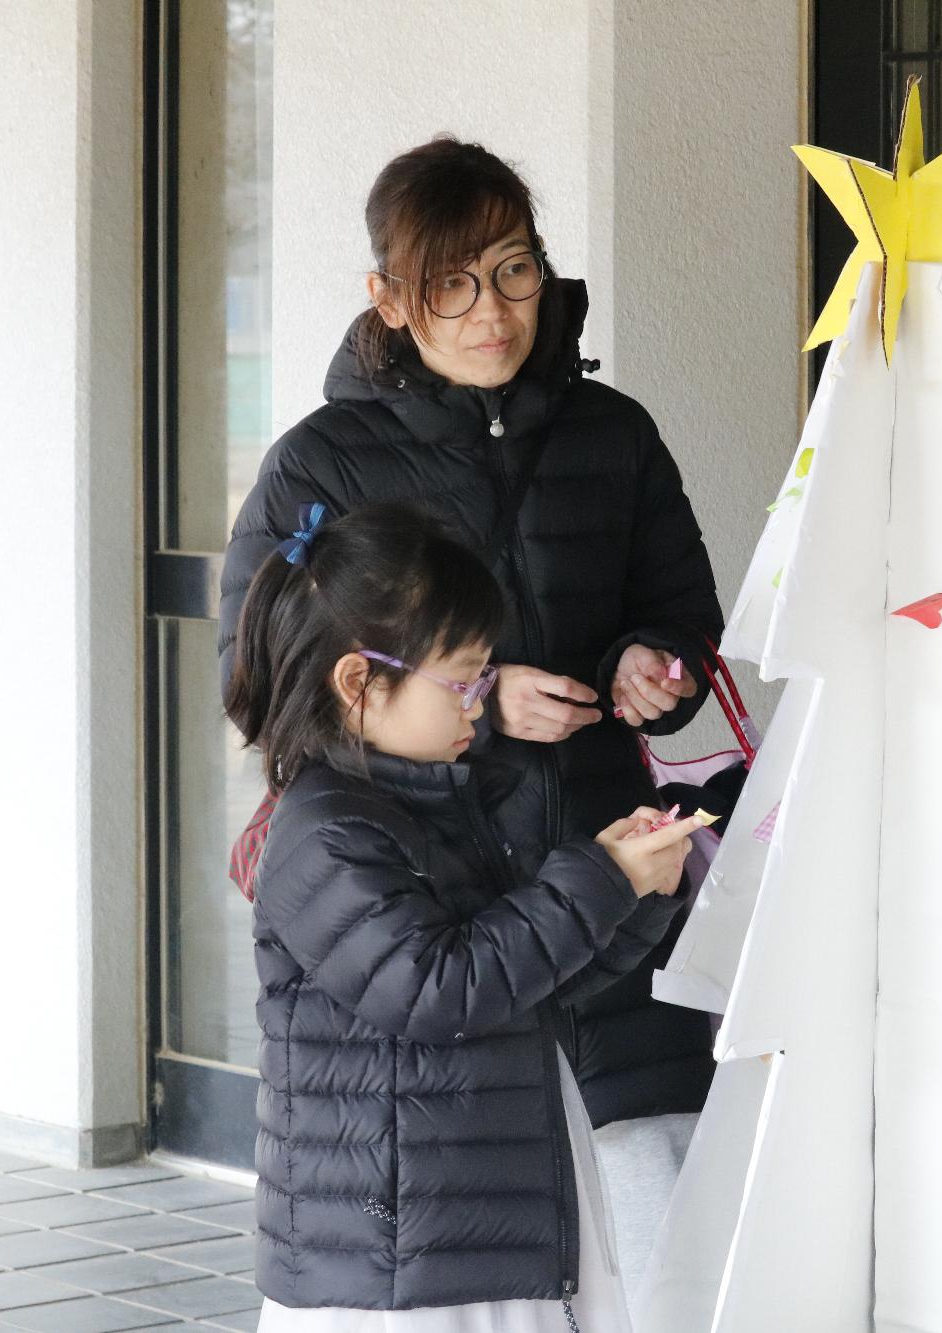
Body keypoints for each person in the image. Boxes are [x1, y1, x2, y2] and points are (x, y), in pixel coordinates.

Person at [220, 136, 723, 1301]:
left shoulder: (613, 433)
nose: (490, 311)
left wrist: (652, 664)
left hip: (602, 862)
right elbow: (260, 671)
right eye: (449, 283)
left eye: (512, 271)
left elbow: (682, 614)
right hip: (439, 884)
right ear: (389, 299)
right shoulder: (319, 462)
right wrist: (481, 702)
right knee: (474, 1231)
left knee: (644, 1236)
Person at [226, 502, 713, 1330]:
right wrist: (600, 879)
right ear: (358, 682)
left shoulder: (429, 799)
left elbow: (526, 976)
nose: (478, 706)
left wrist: (633, 892)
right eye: (463, 681)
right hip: (397, 1252)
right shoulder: (322, 834)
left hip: (469, 1206)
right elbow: (441, 991)